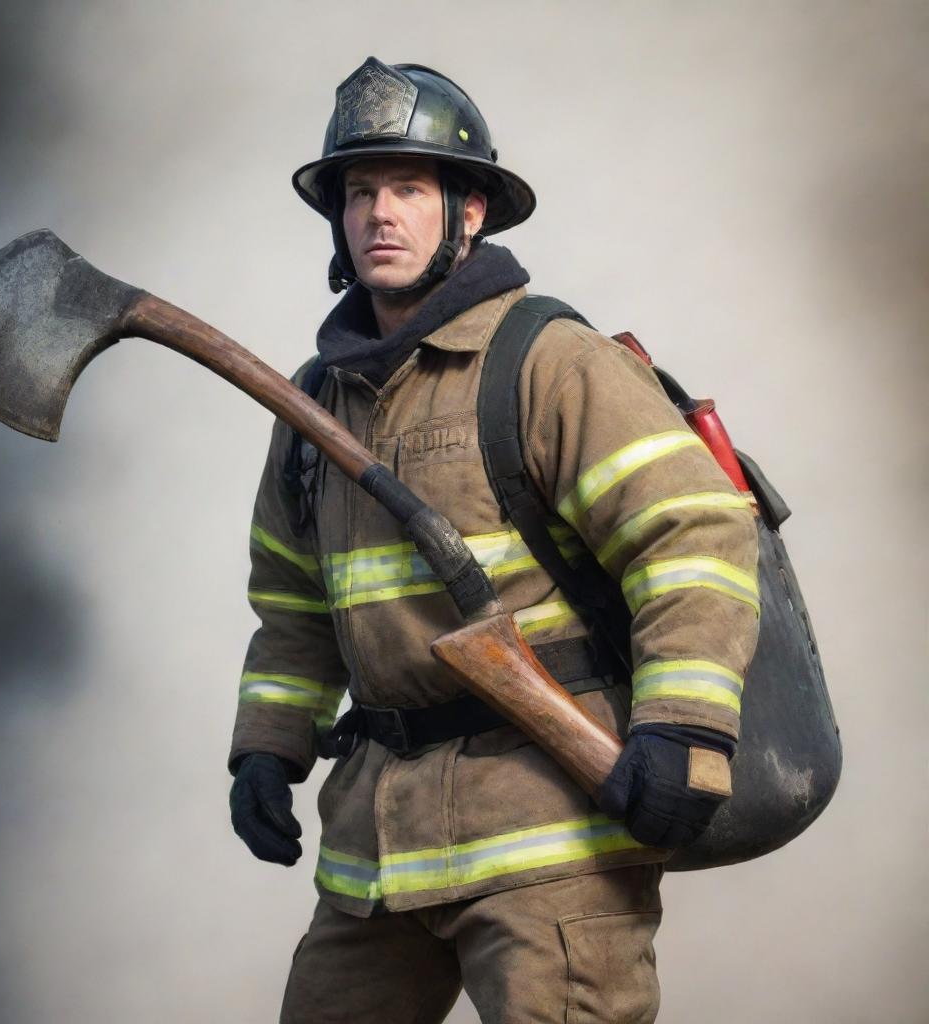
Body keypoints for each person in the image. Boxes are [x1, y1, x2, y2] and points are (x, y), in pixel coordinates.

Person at [228, 57, 760, 1024]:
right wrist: (268, 746)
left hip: (549, 844)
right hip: (377, 855)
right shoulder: (314, 405)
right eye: (358, 192)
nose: (379, 214)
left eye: (407, 188)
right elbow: (296, 602)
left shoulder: (548, 361)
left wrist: (682, 730)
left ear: (468, 212)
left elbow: (693, 535)